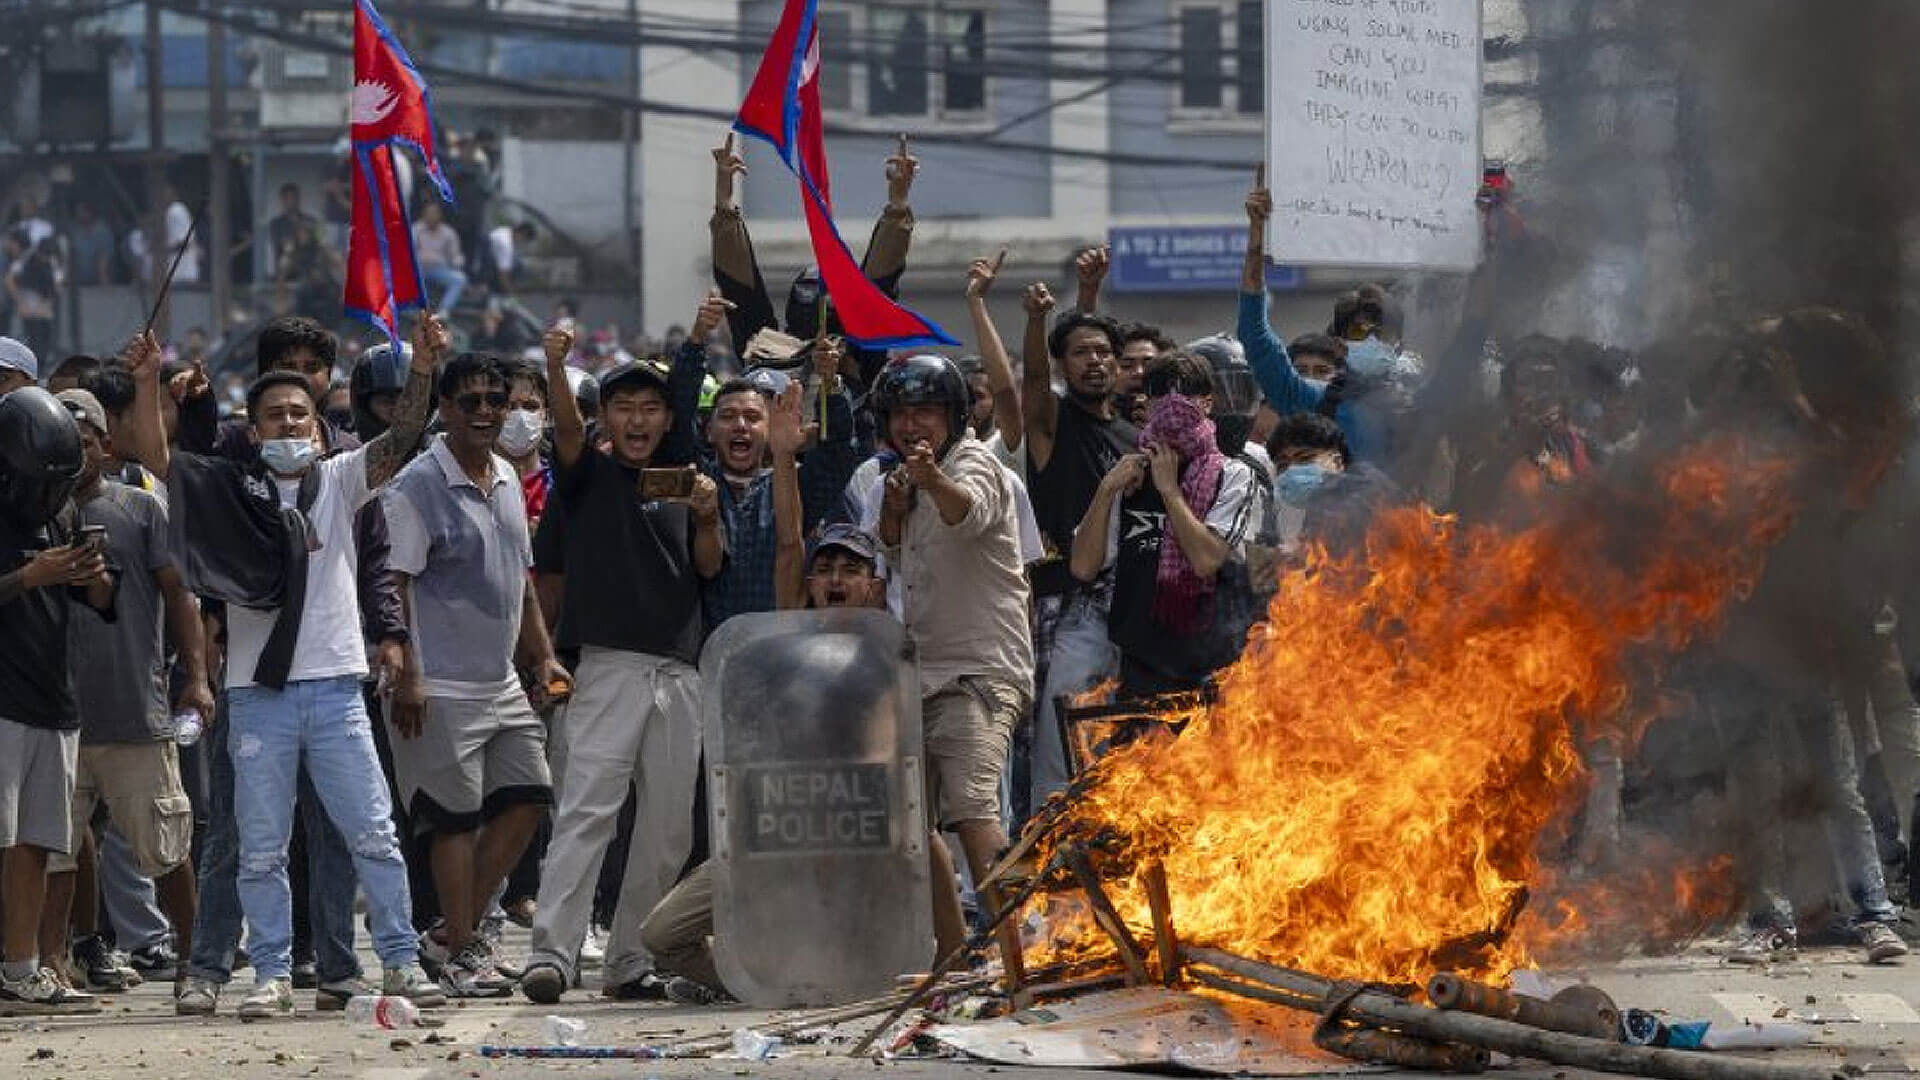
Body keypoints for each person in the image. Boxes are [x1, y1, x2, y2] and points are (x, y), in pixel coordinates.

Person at [120, 317, 448, 1020]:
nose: (289, 423)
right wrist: (147, 381)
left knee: (373, 834)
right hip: (257, 697)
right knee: (261, 848)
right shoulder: (228, 489)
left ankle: (399, 960)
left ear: (320, 428)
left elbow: (405, 436)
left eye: (300, 413)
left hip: (337, 692)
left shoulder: (344, 479)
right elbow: (156, 455)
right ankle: (269, 975)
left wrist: (422, 367)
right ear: (254, 428)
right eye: (274, 415)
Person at [519, 305, 723, 1005]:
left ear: (668, 419)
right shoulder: (586, 476)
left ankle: (630, 961)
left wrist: (707, 514)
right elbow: (565, 432)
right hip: (608, 666)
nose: (638, 420)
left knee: (666, 829)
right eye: (624, 407)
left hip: (681, 669)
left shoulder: (686, 479)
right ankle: (552, 954)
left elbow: (707, 564)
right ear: (604, 416)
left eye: (650, 408)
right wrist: (555, 366)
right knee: (588, 812)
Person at [639, 518, 889, 1007]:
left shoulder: (888, 662)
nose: (836, 580)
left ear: (874, 587)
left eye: (850, 569)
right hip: (770, 835)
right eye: (825, 569)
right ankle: (760, 981)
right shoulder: (780, 654)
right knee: (660, 934)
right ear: (810, 584)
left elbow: (887, 770)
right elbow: (788, 544)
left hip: (852, 846)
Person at [382, 353, 571, 998]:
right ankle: (463, 950)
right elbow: (394, 585)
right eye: (472, 401)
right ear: (445, 409)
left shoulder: (509, 477)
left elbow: (520, 581)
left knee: (530, 797)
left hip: (501, 684)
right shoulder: (415, 486)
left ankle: (447, 936)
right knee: (453, 821)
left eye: (498, 399)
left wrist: (542, 656)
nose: (488, 412)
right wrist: (410, 674)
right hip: (437, 685)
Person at [37, 390, 209, 1001]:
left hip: (135, 710)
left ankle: (195, 963)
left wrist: (197, 678)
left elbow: (180, 597)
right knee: (54, 853)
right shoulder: (31, 514)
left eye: (85, 441)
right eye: (62, 441)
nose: (74, 453)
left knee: (165, 848)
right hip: (54, 717)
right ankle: (50, 966)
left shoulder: (140, 508)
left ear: (106, 447)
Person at [869, 353, 1032, 948]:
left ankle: (1020, 953)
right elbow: (893, 554)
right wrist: (895, 509)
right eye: (900, 414)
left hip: (977, 674)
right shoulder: (906, 478)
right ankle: (954, 953)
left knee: (973, 810)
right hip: (921, 674)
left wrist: (932, 480)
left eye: (926, 412)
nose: (911, 425)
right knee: (912, 819)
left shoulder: (973, 462)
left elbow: (968, 512)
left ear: (955, 416)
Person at [0, 385, 116, 1012]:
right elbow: (28, 581)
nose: (50, 493)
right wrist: (27, 576)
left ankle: (21, 970)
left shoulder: (65, 512)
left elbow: (98, 603)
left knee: (38, 842)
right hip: (3, 699)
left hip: (53, 694)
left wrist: (93, 577)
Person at [1069, 350, 1259, 700]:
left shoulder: (1232, 475)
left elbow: (1205, 560)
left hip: (1213, 667)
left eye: (1183, 395)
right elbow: (1082, 567)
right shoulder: (1130, 476)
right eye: (1160, 397)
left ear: (1207, 403)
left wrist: (1170, 491)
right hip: (1139, 665)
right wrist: (1106, 489)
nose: (1171, 408)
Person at [1018, 283, 1134, 809]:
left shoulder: (1134, 438)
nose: (1095, 361)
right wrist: (1035, 320)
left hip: (1127, 616)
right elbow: (1032, 383)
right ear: (1062, 366)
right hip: (1068, 611)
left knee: (1116, 762)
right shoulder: (1053, 424)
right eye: (1081, 353)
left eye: (1104, 352)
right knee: (1060, 758)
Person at [412, 203, 467, 318]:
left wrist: (458, 262)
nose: (432, 216)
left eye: (435, 214)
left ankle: (444, 310)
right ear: (424, 215)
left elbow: (455, 255)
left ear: (440, 216)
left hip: (439, 269)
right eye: (429, 213)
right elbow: (409, 252)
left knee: (460, 279)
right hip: (418, 269)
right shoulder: (416, 230)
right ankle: (413, 311)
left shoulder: (448, 233)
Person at [67, 202, 116, 287]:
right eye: (77, 213)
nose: (79, 215)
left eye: (82, 212)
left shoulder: (103, 231)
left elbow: (104, 257)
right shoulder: (75, 230)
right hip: (79, 283)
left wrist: (103, 279)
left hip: (100, 283)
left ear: (90, 212)